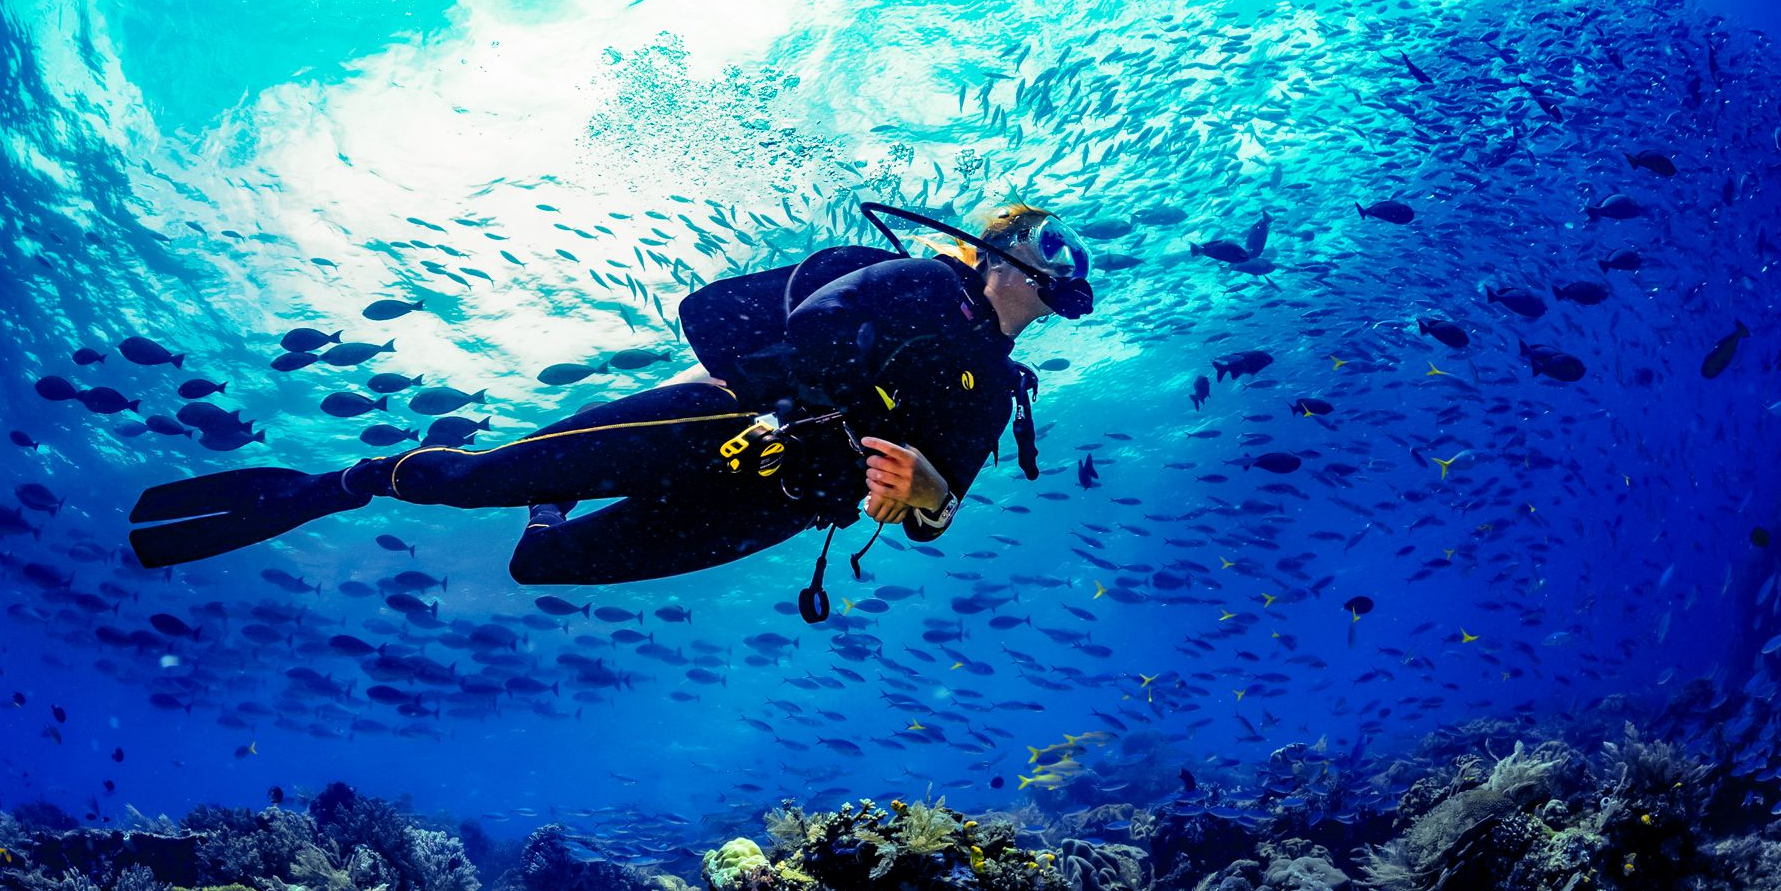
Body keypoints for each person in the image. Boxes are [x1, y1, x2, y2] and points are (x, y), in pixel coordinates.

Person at [128, 201, 1094, 612]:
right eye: (1050, 240)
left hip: (781, 503)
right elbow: (813, 320)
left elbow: (938, 515)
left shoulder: (1001, 388)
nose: (1065, 263)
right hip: (717, 418)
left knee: (546, 561)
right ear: (997, 247)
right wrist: (833, 404)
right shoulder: (919, 284)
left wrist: (923, 493)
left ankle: (549, 509)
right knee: (469, 483)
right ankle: (345, 481)